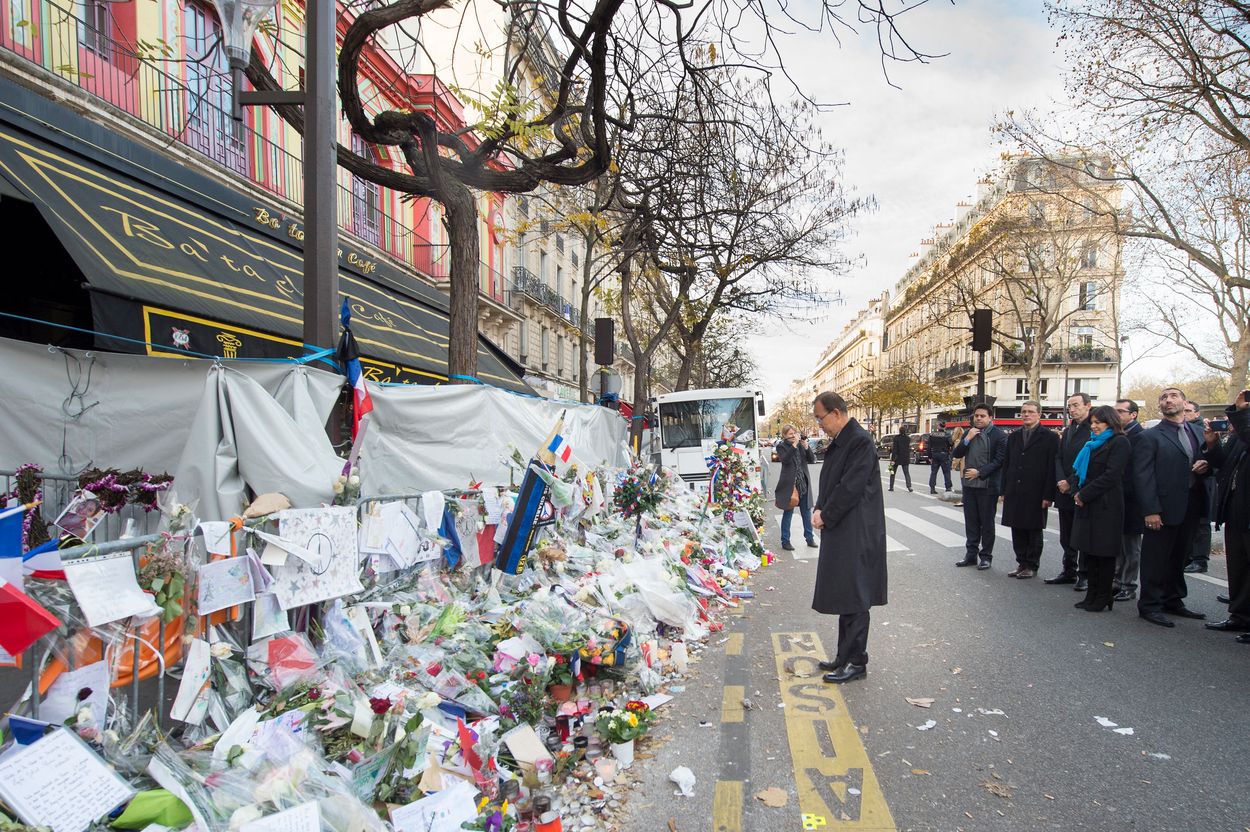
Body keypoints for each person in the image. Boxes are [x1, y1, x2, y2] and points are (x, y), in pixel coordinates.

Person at [810, 392, 887, 684]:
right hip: (844, 527)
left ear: (837, 412)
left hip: (857, 530)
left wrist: (826, 514)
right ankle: (844, 655)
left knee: (856, 596)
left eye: (821, 417)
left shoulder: (859, 441)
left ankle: (857, 661)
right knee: (846, 593)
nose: (819, 424)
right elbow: (832, 482)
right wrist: (820, 508)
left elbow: (849, 487)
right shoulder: (845, 440)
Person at [1133, 387, 1213, 627]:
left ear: (1184, 402)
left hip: (1191, 504)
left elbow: (1214, 462)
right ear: (1160, 406)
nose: (1168, 400)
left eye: (1173, 396)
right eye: (1163, 398)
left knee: (1180, 556)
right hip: (1162, 508)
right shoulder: (1150, 436)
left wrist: (1207, 462)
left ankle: (1173, 600)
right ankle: (1149, 605)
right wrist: (1151, 510)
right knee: (1156, 558)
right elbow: (1142, 476)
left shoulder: (1199, 433)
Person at [1068, 405, 1133, 612]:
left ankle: (1103, 596)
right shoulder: (1091, 444)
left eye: (1098, 422)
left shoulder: (1119, 442)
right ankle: (1092, 594)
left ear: (1110, 422)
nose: (1094, 426)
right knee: (1090, 552)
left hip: (1106, 505)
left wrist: (1083, 494)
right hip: (1088, 503)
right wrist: (1076, 491)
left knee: (1104, 554)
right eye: (1093, 422)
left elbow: (1111, 476)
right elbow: (1080, 472)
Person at [1203, 391, 1250, 642]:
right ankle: (1240, 616)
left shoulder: (1245, 428)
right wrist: (1212, 444)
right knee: (1239, 567)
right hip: (1235, 509)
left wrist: (1241, 414)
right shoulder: (1239, 435)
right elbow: (1223, 464)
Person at [1000, 401, 1058, 579]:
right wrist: (1003, 490)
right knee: (1016, 528)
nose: (1026, 415)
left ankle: (1031, 564)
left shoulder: (1050, 437)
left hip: (1036, 491)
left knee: (1033, 530)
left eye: (1031, 412)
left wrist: (1048, 495)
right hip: (1015, 489)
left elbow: (1052, 468)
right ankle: (1021, 562)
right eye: (1024, 412)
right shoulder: (1014, 436)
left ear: (1039, 414)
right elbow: (1007, 464)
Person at [952, 403, 1007, 570]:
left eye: (982, 416)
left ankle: (986, 557)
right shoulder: (969, 433)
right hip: (969, 486)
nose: (979, 418)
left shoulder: (999, 435)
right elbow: (957, 454)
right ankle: (971, 555)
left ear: (990, 417)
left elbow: (1000, 460)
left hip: (988, 486)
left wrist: (980, 472)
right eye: (976, 416)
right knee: (971, 522)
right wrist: (967, 440)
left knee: (987, 523)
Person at [1046, 393, 1092, 590]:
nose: (1072, 410)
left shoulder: (1094, 428)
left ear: (1088, 406)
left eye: (1075, 405)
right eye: (1069, 406)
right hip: (1063, 489)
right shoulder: (1070, 428)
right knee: (1067, 535)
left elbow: (1088, 463)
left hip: (1080, 489)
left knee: (1082, 535)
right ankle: (1069, 570)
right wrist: (1060, 479)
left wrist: (1070, 482)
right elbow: (1059, 457)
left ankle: (1085, 574)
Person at [1113, 400, 1146, 602]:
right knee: (1118, 544)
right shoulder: (1118, 435)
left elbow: (1139, 472)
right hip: (1118, 498)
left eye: (1120, 411)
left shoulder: (1140, 436)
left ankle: (1129, 584)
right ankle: (1117, 581)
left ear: (1133, 414)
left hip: (1133, 499)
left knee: (1131, 547)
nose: (1116, 415)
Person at [1182, 400, 1215, 573]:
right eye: (1183, 410)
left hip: (1203, 483)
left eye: (1188, 410)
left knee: (1202, 523)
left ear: (1197, 413)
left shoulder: (1202, 431)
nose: (1185, 413)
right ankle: (1189, 556)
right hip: (1188, 485)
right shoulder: (1181, 429)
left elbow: (1214, 455)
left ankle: (1200, 559)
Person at [774, 424, 816, 552]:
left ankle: (809, 538)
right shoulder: (781, 446)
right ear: (785, 436)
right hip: (790, 486)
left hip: (803, 483)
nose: (793, 436)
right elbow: (785, 460)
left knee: (806, 513)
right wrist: (793, 445)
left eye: (794, 433)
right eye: (790, 434)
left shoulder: (800, 445)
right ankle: (785, 541)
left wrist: (806, 447)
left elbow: (812, 459)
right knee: (788, 513)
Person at [927, 427, 953, 494]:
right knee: (946, 472)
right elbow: (951, 444)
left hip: (935, 454)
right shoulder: (947, 435)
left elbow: (929, 446)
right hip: (944, 454)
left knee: (934, 472)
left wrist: (930, 456)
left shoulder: (932, 434)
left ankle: (932, 488)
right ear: (944, 428)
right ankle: (948, 488)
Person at [888, 426, 913, 492]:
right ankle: (909, 486)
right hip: (905, 458)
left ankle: (891, 487)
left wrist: (892, 459)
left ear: (899, 431)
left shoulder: (896, 438)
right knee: (906, 473)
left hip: (896, 458)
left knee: (892, 472)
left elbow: (895, 449)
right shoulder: (908, 438)